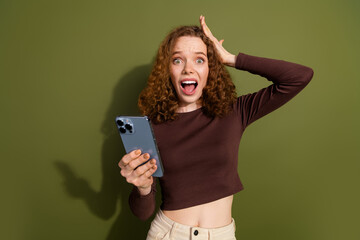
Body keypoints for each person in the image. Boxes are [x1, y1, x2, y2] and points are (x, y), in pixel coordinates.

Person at [118, 15, 314, 240]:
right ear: (167, 70)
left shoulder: (235, 112)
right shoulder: (153, 127)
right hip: (168, 233)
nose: (188, 69)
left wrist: (231, 58)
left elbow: (299, 77)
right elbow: (142, 213)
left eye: (200, 60)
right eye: (178, 60)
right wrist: (142, 188)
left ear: (211, 67)